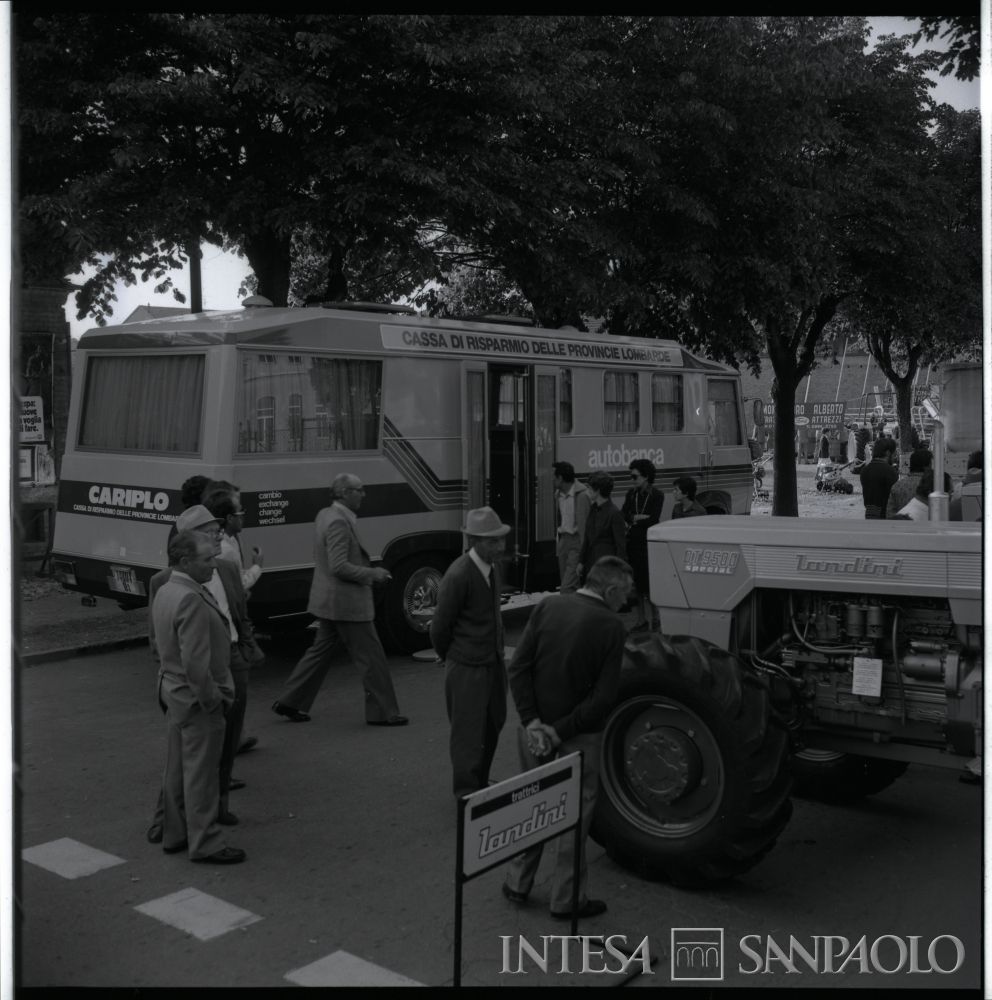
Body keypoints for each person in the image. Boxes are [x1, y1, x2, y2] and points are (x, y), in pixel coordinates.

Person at [501, 556, 633, 920]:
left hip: (533, 731)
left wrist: (532, 722)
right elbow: (603, 698)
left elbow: (519, 667)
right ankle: (566, 898)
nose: (627, 601)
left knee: (532, 806)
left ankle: (517, 882)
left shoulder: (548, 606)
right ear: (609, 590)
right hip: (578, 738)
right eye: (625, 594)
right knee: (573, 816)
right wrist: (560, 731)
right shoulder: (611, 626)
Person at [146, 504, 256, 844]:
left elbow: (237, 611)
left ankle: (179, 831)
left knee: (197, 759)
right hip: (197, 686)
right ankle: (196, 834)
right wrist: (213, 699)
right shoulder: (176, 586)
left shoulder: (214, 571)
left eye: (218, 531)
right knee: (197, 766)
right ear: (187, 547)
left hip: (222, 663)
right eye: (210, 532)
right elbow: (189, 658)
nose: (218, 537)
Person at [271, 473, 407, 726]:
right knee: (372, 658)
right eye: (359, 490)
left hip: (329, 600)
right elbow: (339, 566)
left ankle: (290, 701)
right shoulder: (338, 523)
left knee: (319, 651)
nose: (363, 494)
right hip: (347, 602)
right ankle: (382, 712)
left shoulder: (325, 514)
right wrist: (372, 574)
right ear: (345, 493)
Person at [430, 507, 510, 799]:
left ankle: (480, 781)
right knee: (467, 733)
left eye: (501, 539)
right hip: (467, 666)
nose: (500, 546)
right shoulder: (459, 574)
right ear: (475, 541)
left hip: (492, 661)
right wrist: (449, 654)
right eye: (493, 541)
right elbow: (439, 626)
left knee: (494, 722)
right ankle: (466, 795)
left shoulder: (492, 568)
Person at [620, 459, 664, 631]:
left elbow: (654, 518)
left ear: (646, 476)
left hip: (648, 541)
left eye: (635, 476)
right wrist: (637, 518)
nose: (632, 480)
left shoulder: (657, 495)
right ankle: (641, 619)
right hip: (634, 541)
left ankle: (656, 617)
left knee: (650, 582)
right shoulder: (631, 494)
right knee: (637, 582)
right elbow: (624, 514)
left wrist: (634, 518)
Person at [202, 488, 264, 597]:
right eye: (241, 512)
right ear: (230, 518)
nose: (243, 516)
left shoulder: (232, 540)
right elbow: (239, 584)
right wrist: (257, 566)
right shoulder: (226, 550)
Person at [578, 472, 626, 582]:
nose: (588, 491)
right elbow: (587, 537)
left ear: (598, 490)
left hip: (607, 566)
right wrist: (581, 561)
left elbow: (621, 547)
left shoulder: (614, 513)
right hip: (591, 564)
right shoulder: (593, 509)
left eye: (590, 488)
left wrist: (618, 571)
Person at [552, 461, 590, 595]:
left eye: (554, 476)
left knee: (567, 587)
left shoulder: (582, 495)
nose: (552, 479)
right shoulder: (558, 495)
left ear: (561, 478)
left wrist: (584, 550)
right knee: (568, 583)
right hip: (563, 541)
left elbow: (586, 525)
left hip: (576, 542)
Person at [885, 448, 932, 518]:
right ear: (927, 467)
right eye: (931, 464)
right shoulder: (932, 487)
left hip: (901, 527)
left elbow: (889, 514)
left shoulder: (897, 486)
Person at [858, 438, 898, 519]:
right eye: (894, 454)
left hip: (869, 515)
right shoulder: (890, 471)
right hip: (885, 516)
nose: (894, 457)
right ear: (888, 453)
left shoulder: (865, 470)